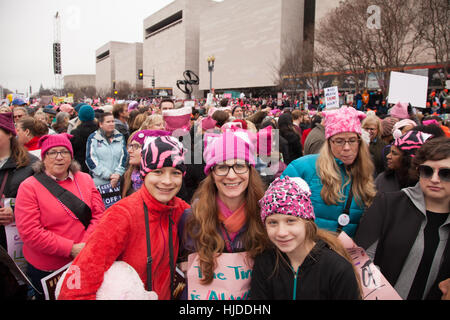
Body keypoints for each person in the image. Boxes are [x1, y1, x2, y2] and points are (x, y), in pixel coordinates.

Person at [58, 135, 190, 300]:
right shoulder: (122, 215)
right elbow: (77, 282)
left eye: (175, 173)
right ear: (144, 173)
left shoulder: (179, 209)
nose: (167, 181)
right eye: (158, 171)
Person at [355, 137, 450, 300]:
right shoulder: (389, 204)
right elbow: (359, 258)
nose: (435, 179)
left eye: (445, 173)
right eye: (427, 171)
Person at [179, 131, 269, 299]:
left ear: (250, 170)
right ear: (212, 174)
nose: (231, 175)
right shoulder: (191, 218)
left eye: (240, 165)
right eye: (222, 167)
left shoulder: (265, 217)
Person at [14, 133, 105, 299]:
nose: (59, 157)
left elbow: (99, 214)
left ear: (71, 156)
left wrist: (85, 243)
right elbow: (30, 232)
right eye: (52, 152)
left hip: (84, 258)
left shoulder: (85, 179)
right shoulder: (29, 187)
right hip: (49, 268)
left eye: (64, 152)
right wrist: (70, 248)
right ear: (43, 157)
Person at [250, 176, 361, 300]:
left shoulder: (337, 269)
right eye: (273, 223)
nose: (281, 232)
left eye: (290, 221)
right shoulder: (265, 263)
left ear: (307, 222)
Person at [281, 107, 376, 238]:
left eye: (352, 140)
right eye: (339, 141)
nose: (347, 147)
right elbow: (277, 214)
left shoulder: (365, 172)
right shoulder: (302, 168)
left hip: (342, 255)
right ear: (329, 142)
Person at [0, 113, 39, 250]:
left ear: (10, 133)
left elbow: (44, 200)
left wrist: (15, 210)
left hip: (17, 241)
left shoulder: (31, 164)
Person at [120, 129, 171, 198]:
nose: (129, 150)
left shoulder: (167, 181)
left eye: (136, 146)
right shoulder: (127, 177)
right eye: (130, 146)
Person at [85, 112, 128, 188]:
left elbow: (124, 156)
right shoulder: (93, 138)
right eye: (108, 122)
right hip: (99, 182)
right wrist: (108, 175)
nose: (111, 124)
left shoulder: (120, 137)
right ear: (101, 124)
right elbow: (91, 159)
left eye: (112, 121)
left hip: (118, 181)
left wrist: (118, 173)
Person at [70, 105, 98, 173]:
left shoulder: (75, 132)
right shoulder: (100, 130)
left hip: (81, 167)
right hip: (97, 166)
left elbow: (72, 151)